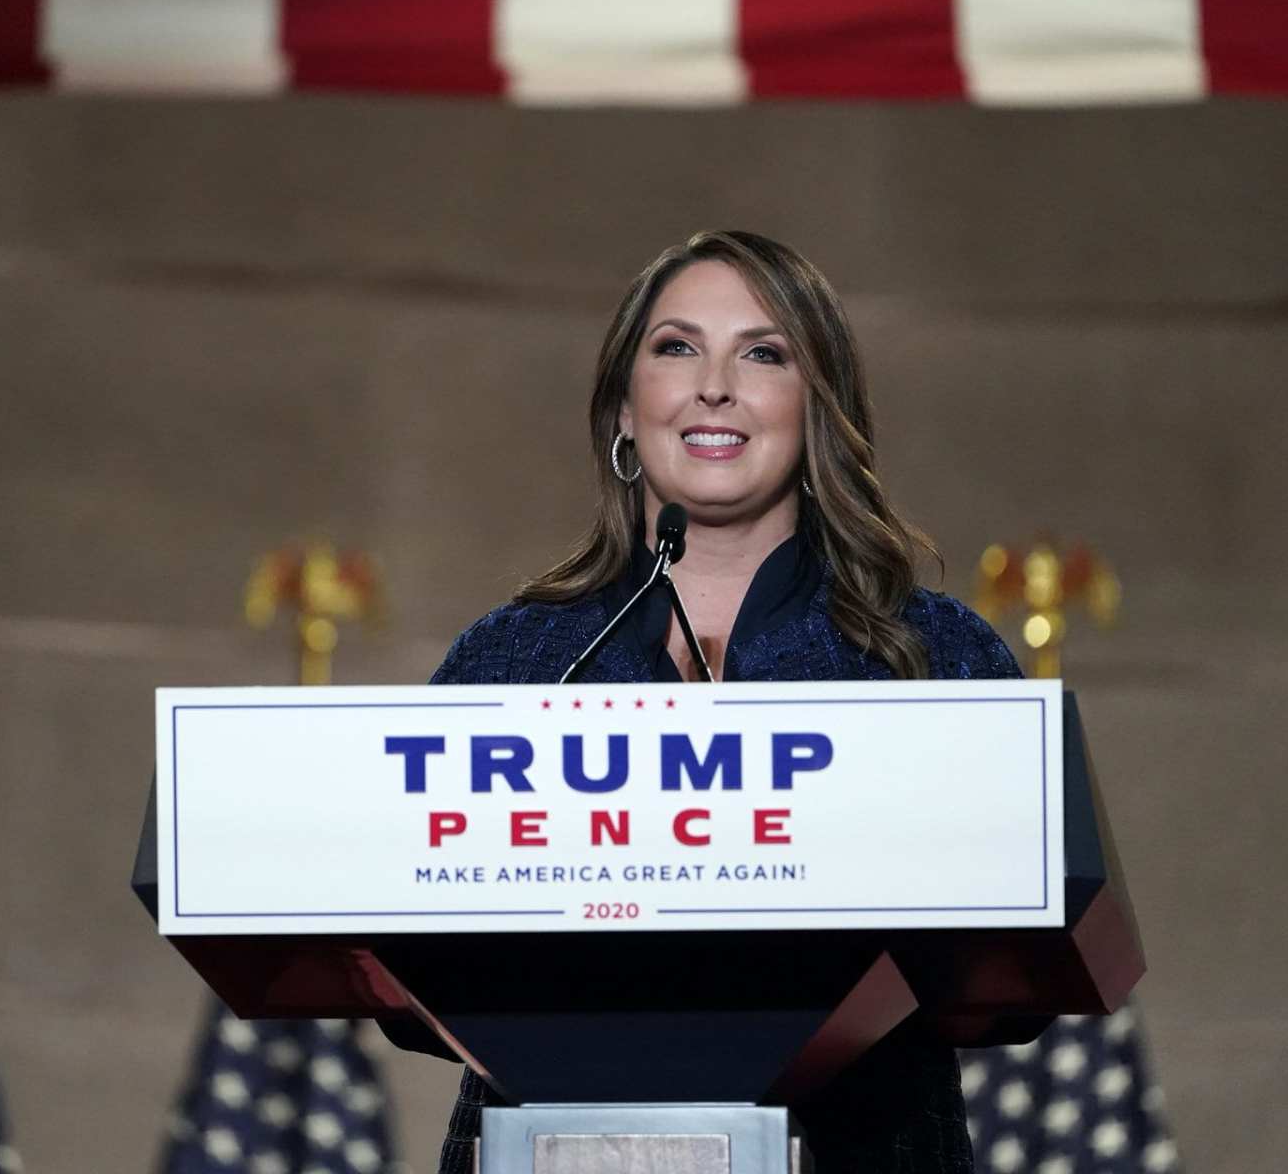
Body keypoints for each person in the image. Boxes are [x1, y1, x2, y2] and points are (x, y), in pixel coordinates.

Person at [415, 230, 1021, 1174]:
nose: (715, 386)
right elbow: (409, 949)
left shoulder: (928, 658)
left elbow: (1017, 962)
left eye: (764, 353)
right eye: (677, 346)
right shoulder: (514, 662)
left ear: (817, 407)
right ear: (626, 405)